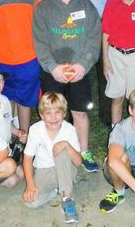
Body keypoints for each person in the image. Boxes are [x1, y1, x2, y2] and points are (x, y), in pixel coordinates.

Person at [33, 0, 102, 173]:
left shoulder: (87, 6)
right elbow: (40, 42)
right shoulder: (44, 8)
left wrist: (83, 65)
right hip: (53, 71)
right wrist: (53, 67)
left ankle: (83, 151)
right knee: (53, 113)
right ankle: (51, 153)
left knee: (80, 112)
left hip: (79, 70)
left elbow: (94, 40)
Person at [0, 0, 41, 133]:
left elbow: (40, 29)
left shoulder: (32, 1)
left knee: (24, 101)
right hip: (2, 59)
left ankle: (24, 136)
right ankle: (8, 135)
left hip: (28, 59)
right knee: (5, 100)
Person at [22, 92, 83, 223]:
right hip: (44, 171)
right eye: (48, 113)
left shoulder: (69, 129)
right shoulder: (35, 129)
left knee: (61, 150)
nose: (53, 117)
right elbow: (27, 158)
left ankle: (67, 199)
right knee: (31, 202)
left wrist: (67, 145)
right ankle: (57, 190)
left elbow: (78, 162)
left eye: (57, 112)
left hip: (67, 169)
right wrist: (30, 185)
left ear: (64, 114)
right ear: (41, 115)